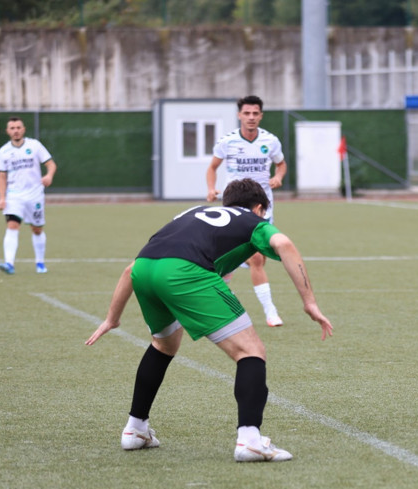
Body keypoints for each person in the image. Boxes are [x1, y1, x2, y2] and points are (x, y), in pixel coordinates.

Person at [85, 178, 333, 461]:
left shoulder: (193, 214)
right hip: (184, 272)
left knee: (163, 346)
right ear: (260, 208)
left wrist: (112, 319)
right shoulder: (253, 221)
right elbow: (284, 244)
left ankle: (135, 429)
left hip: (144, 269)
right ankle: (250, 441)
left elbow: (131, 269)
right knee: (251, 351)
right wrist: (309, 302)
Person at [206, 95, 288, 327]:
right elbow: (212, 167)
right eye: (247, 113)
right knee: (237, 258)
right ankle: (264, 310)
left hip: (262, 208)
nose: (251, 117)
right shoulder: (227, 141)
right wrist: (211, 188)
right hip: (234, 207)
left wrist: (278, 177)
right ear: (239, 115)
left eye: (255, 113)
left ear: (261, 115)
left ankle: (269, 311)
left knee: (256, 258)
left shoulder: (270, 141)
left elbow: (281, 164)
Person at [0, 117, 57, 275]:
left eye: (18, 127)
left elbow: (51, 164)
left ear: (23, 129)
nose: (15, 130)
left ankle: (40, 263)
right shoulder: (3, 152)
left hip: (35, 195)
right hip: (14, 196)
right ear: (7, 131)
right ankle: (9, 263)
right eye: (12, 128)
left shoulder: (34, 145)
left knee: (36, 229)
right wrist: (2, 198)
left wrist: (49, 176)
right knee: (12, 225)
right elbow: (2, 176)